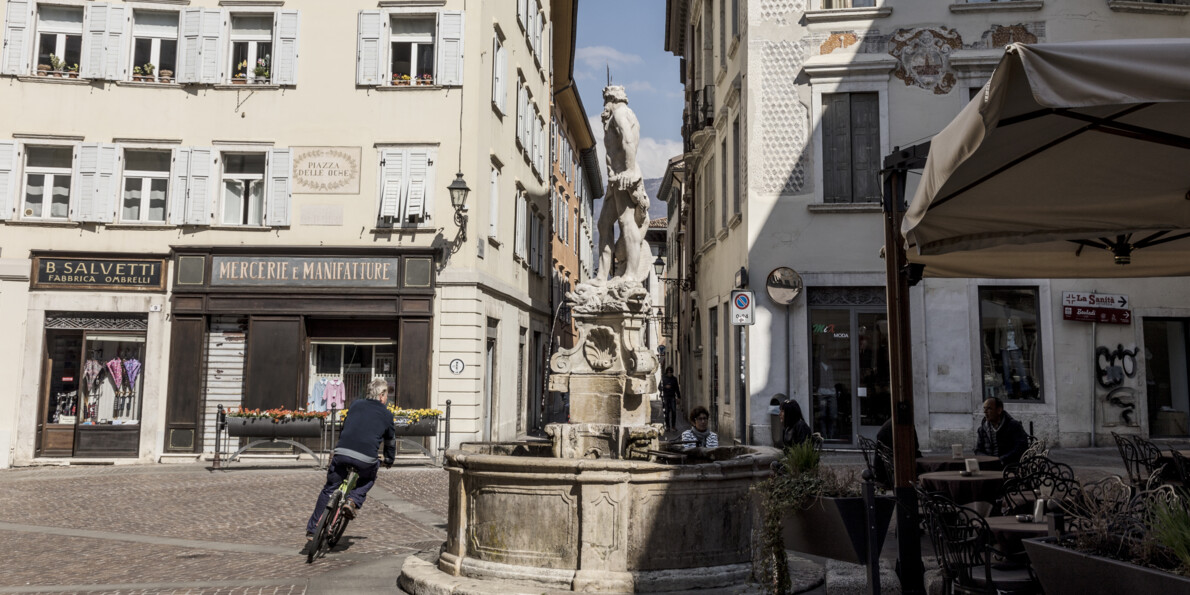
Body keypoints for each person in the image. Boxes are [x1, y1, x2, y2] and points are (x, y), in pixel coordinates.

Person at [304, 378, 396, 547]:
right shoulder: (387, 414)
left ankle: (312, 529)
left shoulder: (355, 405)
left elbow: (346, 427)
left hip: (342, 453)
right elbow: (390, 441)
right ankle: (352, 500)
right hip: (366, 458)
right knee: (368, 478)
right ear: (382, 395)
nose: (387, 399)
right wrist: (389, 459)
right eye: (386, 395)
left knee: (329, 488)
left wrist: (339, 448)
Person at [974, 396, 1030, 467]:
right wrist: (988, 460)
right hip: (988, 465)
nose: (985, 412)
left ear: (999, 410)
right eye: (984, 408)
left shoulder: (1013, 426)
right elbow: (978, 450)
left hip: (1008, 466)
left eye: (989, 408)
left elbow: (1020, 447)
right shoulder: (982, 429)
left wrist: (1001, 459)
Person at [874, 418, 922, 487]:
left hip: (883, 467)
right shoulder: (903, 424)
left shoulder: (891, 423)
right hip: (895, 465)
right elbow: (915, 445)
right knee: (923, 464)